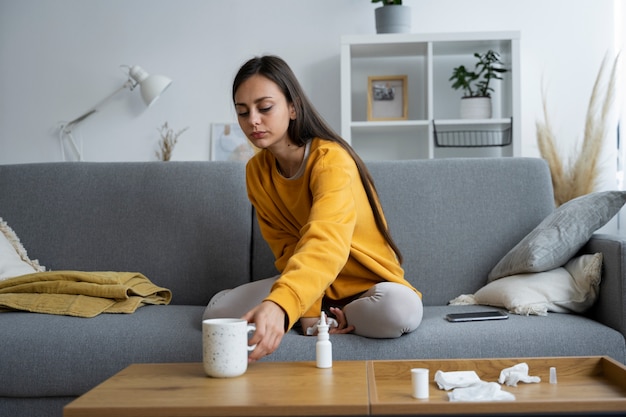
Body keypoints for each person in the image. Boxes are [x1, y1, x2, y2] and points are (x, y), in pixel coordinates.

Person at [203, 55, 423, 362]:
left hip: (366, 286)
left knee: (401, 310)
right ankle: (323, 315)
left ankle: (343, 313)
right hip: (309, 283)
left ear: (293, 107)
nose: (252, 120)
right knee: (217, 311)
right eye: (243, 112)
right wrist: (307, 315)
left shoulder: (331, 160)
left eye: (264, 108)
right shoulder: (256, 172)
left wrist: (283, 304)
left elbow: (327, 240)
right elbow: (287, 249)